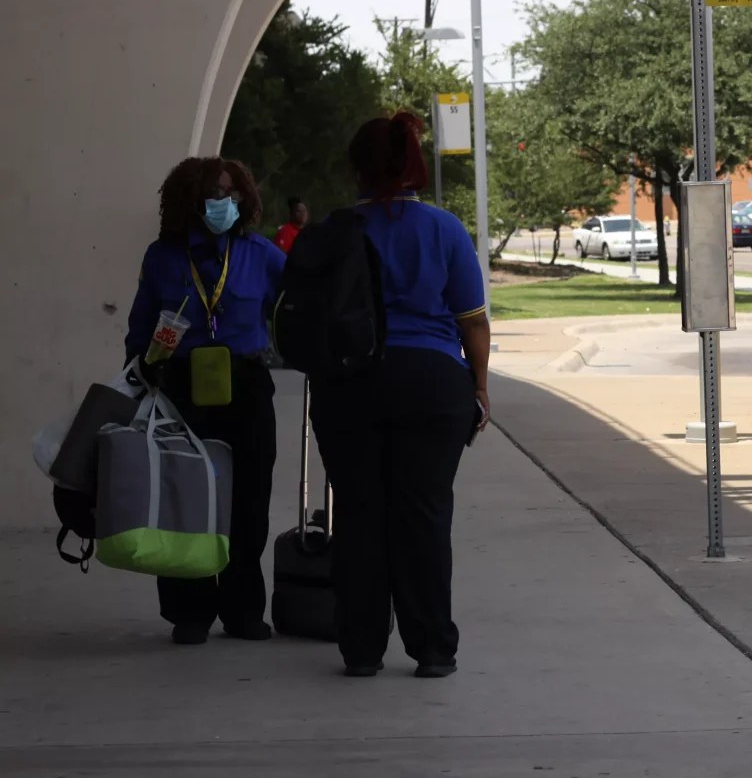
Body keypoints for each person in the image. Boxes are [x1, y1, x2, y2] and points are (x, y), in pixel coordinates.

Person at [310, 111, 489, 679]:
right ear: (414, 165)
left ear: (357, 167)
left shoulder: (335, 232)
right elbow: (473, 322)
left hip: (350, 384)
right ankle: (433, 648)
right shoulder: (444, 230)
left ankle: (361, 648)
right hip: (433, 383)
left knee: (360, 515)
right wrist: (479, 387)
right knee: (424, 516)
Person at [125, 156, 285, 645]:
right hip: (182, 384)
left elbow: (299, 303)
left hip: (247, 383)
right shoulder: (163, 257)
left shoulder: (261, 254)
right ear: (191, 201)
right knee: (184, 495)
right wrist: (142, 372)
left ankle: (243, 610)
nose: (226, 202)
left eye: (233, 193)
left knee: (250, 498)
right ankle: (189, 610)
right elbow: (141, 327)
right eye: (216, 194)